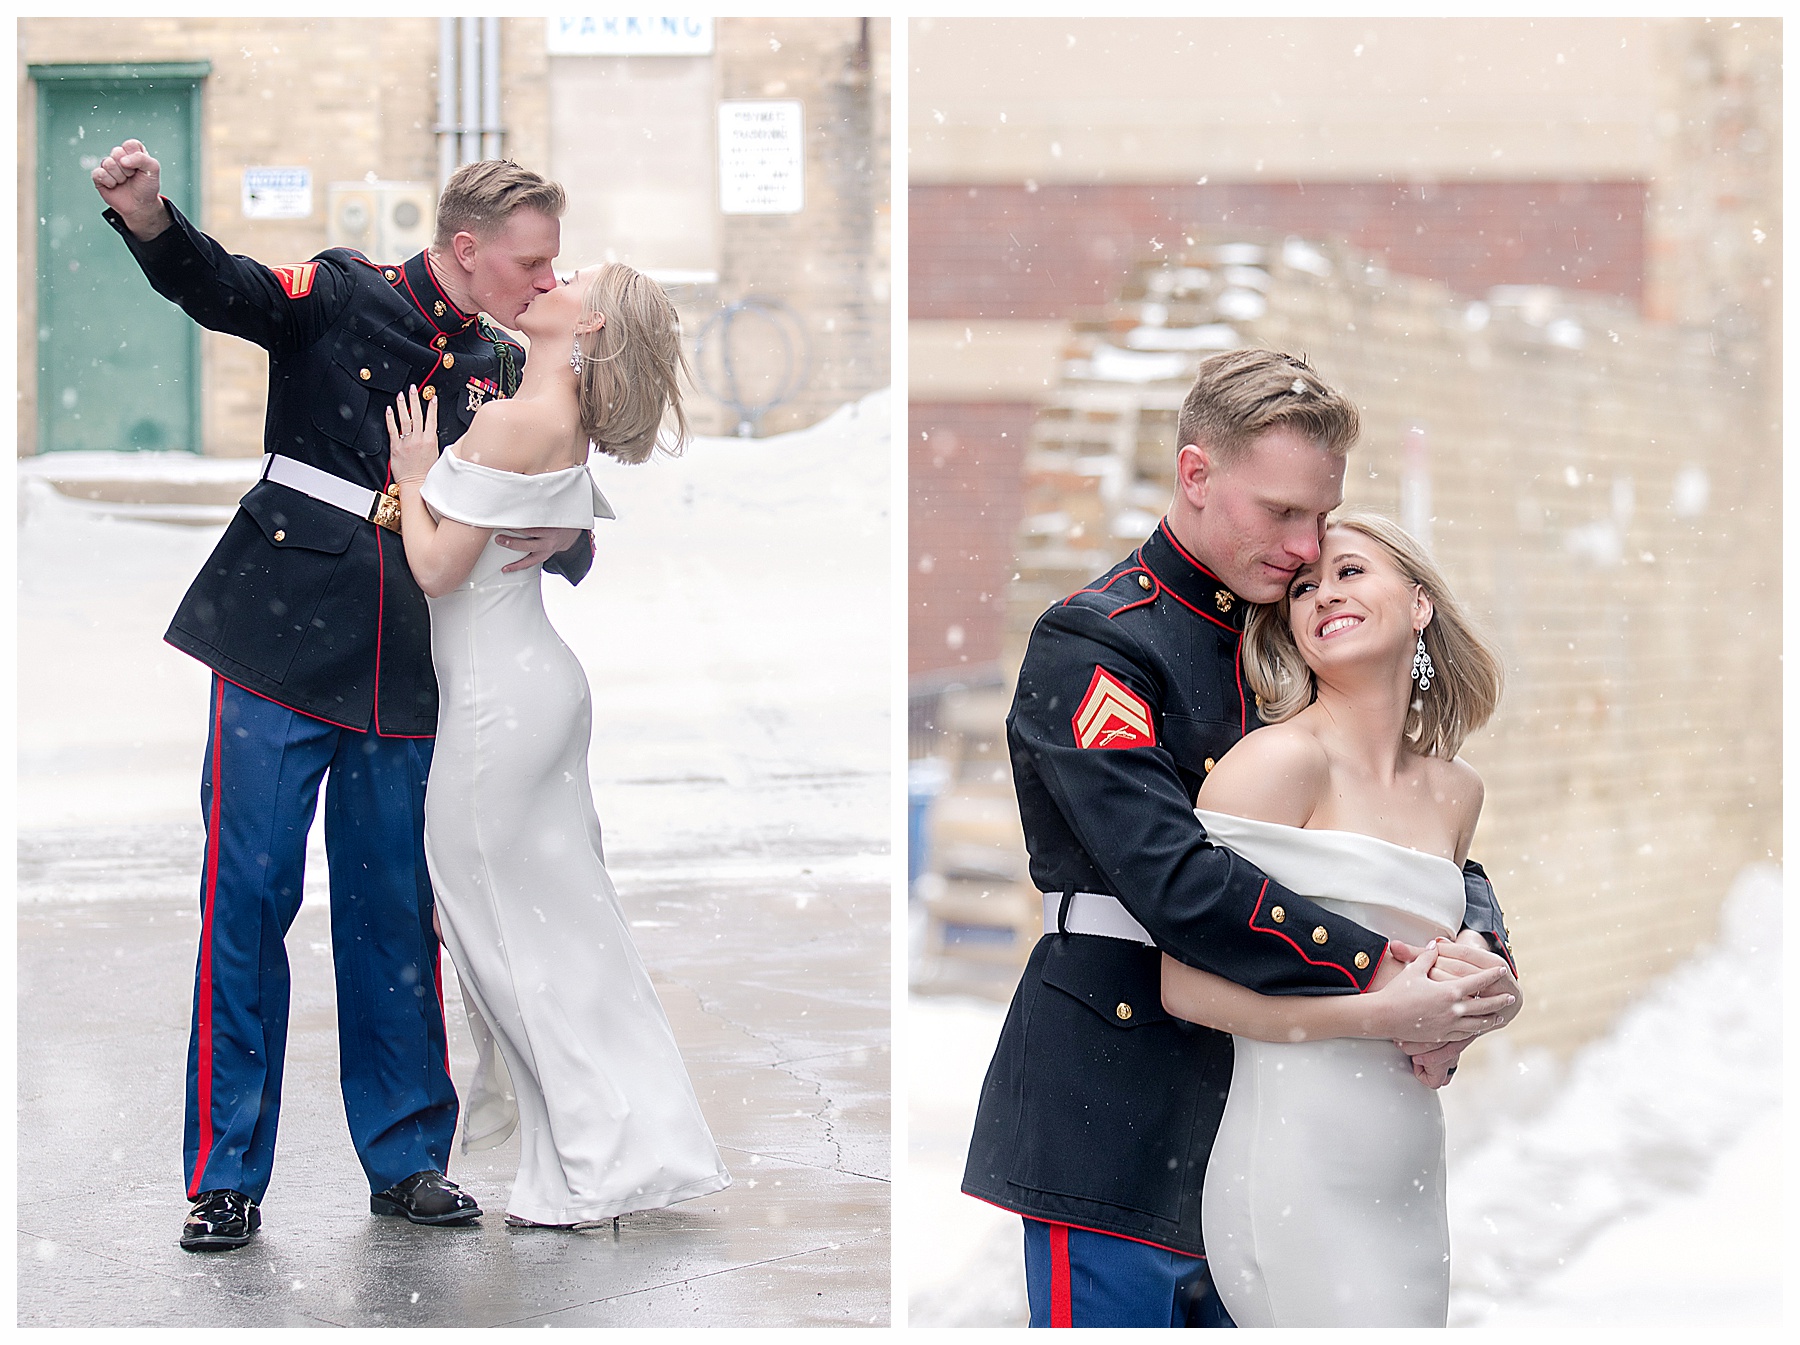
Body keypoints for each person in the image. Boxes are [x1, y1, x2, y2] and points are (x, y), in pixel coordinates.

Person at [91, 139, 591, 1251]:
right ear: (469, 249)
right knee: (248, 903)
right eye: (533, 264)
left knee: (392, 919)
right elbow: (224, 287)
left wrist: (564, 538)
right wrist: (148, 215)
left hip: (408, 663)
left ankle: (408, 1155)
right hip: (277, 636)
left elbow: (549, 531)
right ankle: (226, 1173)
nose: (549, 283)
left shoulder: (503, 373)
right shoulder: (344, 295)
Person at [961, 348, 1521, 1327]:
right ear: (1195, 475)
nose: (1309, 551)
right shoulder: (1100, 642)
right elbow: (1173, 880)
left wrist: (1471, 948)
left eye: (1323, 514)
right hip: (1118, 1089)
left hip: (1273, 1101)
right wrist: (1385, 974)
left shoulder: (1293, 629)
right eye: (1282, 513)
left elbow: (1396, 838)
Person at [382, 261, 731, 1226]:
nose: (553, 277)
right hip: (532, 687)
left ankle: (594, 1163)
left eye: (575, 279)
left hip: (499, 702)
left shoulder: (513, 421)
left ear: (594, 328)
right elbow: (551, 516)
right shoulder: (553, 417)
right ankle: (596, 1157)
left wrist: (414, 480)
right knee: (562, 937)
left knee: (502, 938)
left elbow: (437, 569)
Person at [1160, 509, 1514, 1325]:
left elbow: (1446, 968)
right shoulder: (1278, 763)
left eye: (1350, 572)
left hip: (1410, 1172)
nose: (1323, 595)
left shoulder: (1457, 791)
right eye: (1304, 588)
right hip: (1296, 1172)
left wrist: (1483, 1005)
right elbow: (1185, 984)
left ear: (1419, 602)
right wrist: (1381, 1011)